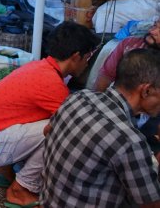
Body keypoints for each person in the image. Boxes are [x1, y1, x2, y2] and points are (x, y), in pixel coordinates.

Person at [0, 22, 98, 208]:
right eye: (88, 57)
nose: (87, 63)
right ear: (76, 57)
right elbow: (79, 125)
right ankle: (21, 189)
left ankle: (7, 171)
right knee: (63, 130)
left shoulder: (42, 67)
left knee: (55, 122)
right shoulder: (50, 82)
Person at [41, 48, 160, 208]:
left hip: (50, 201)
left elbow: (47, 131)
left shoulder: (80, 96)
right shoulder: (130, 141)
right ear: (146, 91)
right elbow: (151, 204)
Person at [95, 19, 160, 91]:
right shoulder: (129, 44)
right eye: (155, 26)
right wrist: (100, 99)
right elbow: (106, 75)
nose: (152, 31)